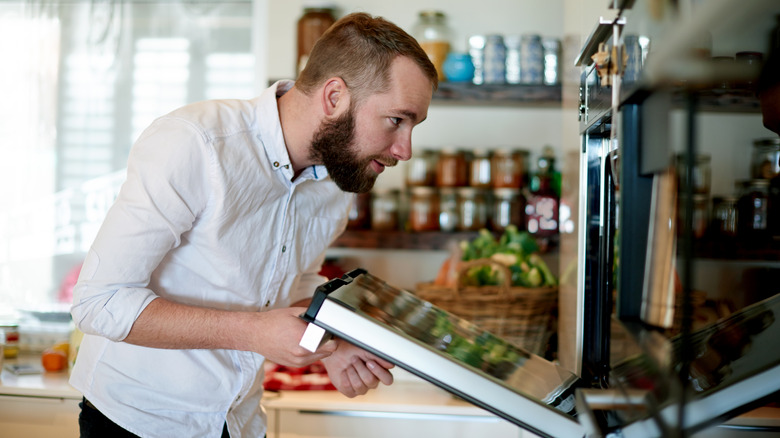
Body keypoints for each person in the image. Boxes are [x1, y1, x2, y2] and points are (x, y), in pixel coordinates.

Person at [69, 12, 438, 438]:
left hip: (240, 423)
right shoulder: (196, 143)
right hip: (136, 421)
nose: (405, 149)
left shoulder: (337, 182)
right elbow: (100, 302)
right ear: (334, 96)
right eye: (397, 120)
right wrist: (254, 331)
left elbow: (296, 284)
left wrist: (330, 344)